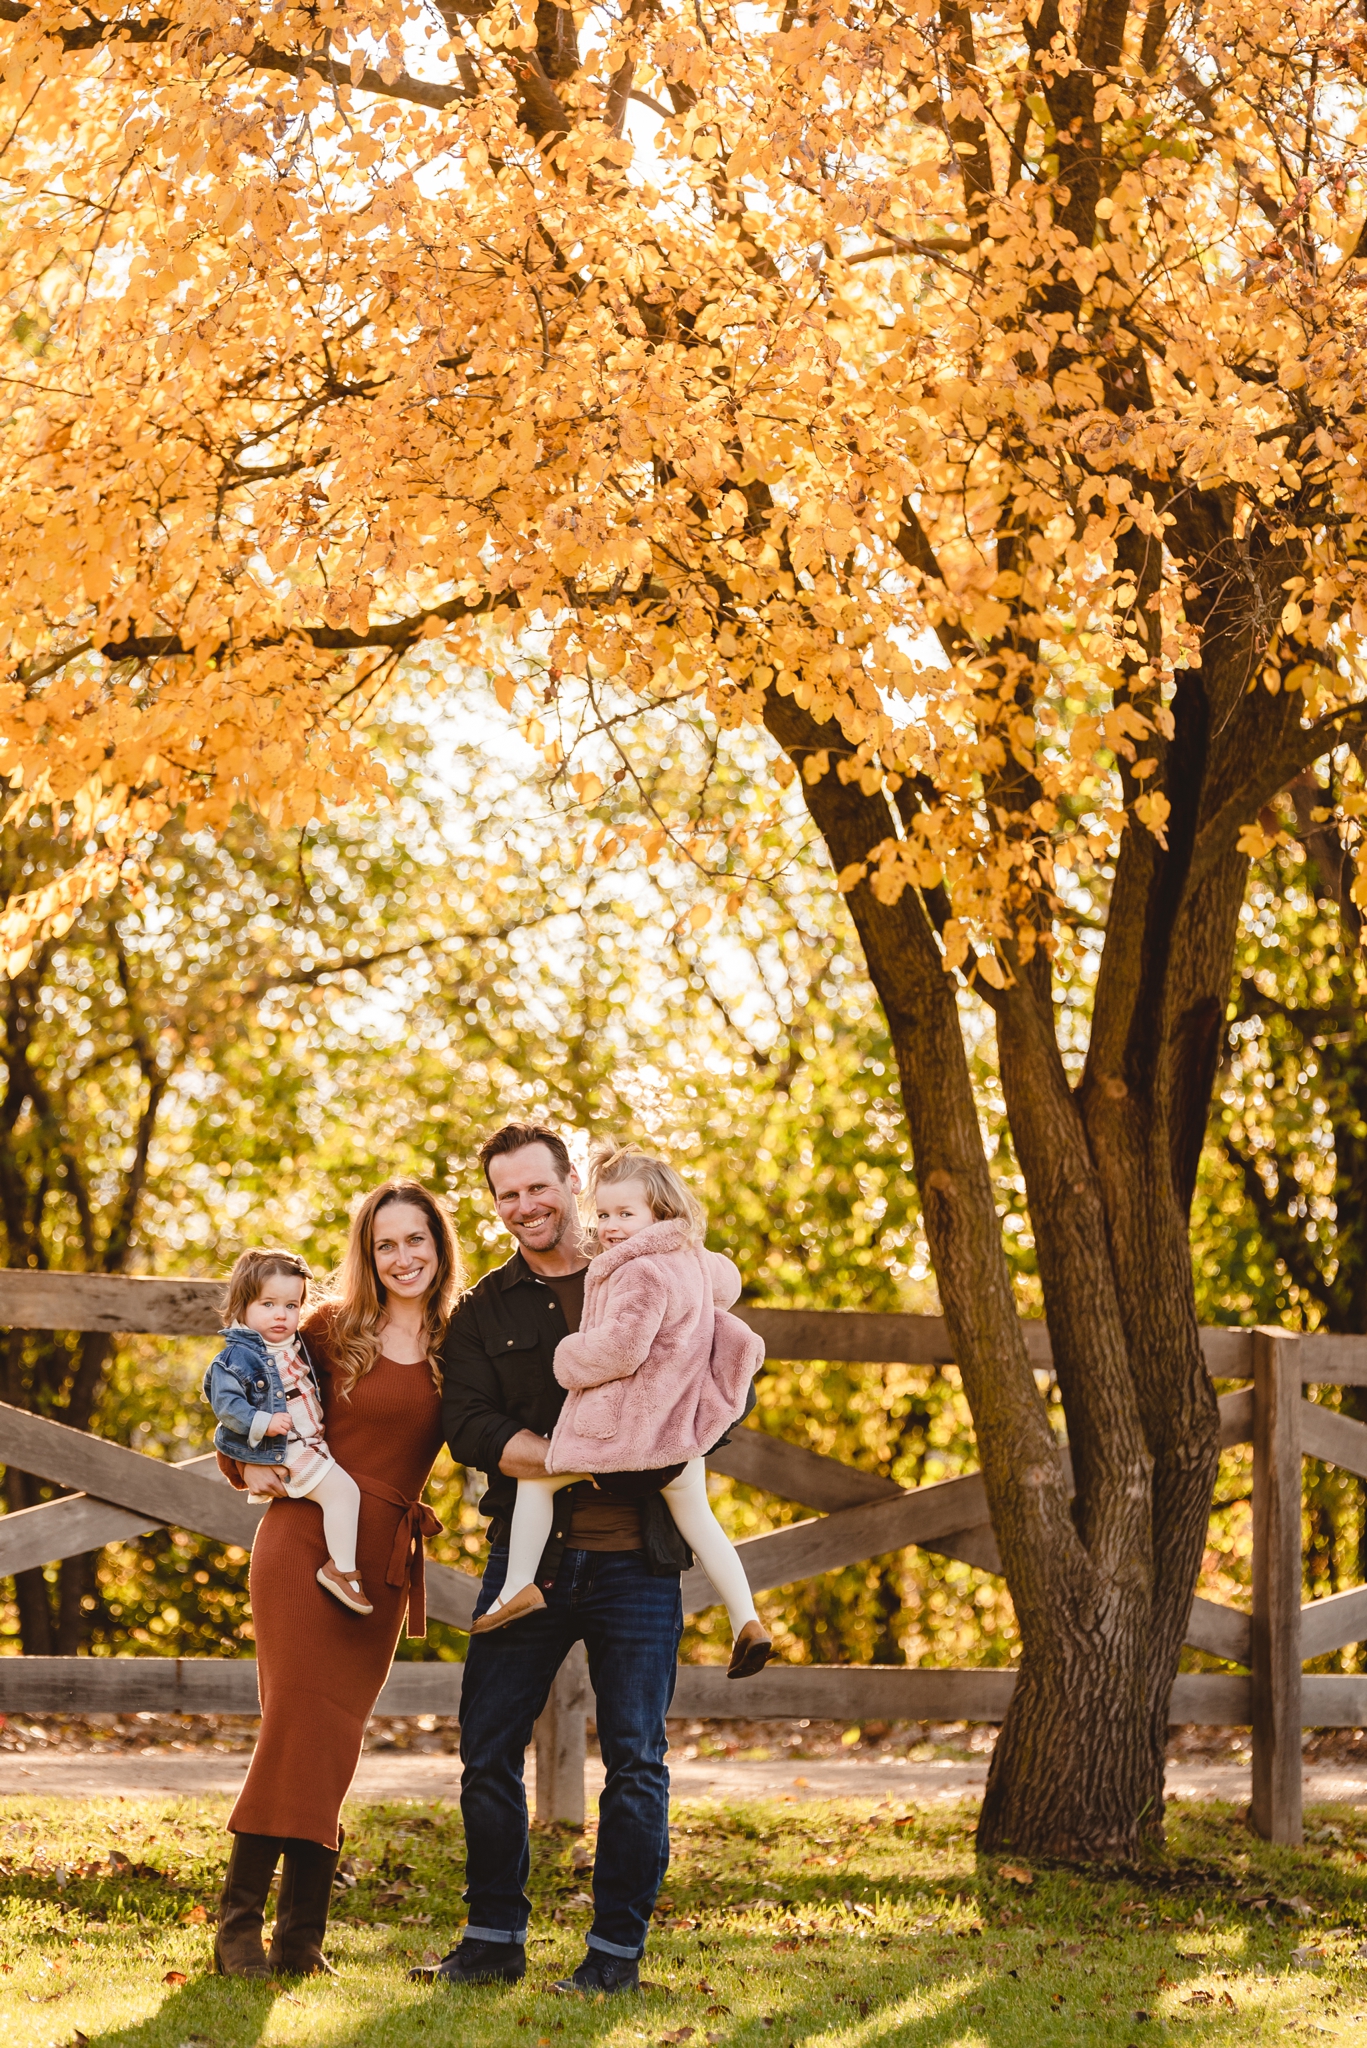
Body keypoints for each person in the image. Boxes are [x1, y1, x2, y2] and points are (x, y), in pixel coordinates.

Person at [437, 1122, 736, 1998]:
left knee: (636, 1761)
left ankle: (614, 1958)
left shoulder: (663, 1270)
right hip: (527, 1559)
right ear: (494, 1204)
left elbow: (715, 1388)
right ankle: (493, 1938)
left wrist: (661, 1447)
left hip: (637, 1565)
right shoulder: (484, 1310)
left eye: (538, 1186)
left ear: (571, 1182)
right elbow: (465, 1421)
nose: (525, 1206)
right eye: (506, 1194)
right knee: (486, 1753)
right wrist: (547, 1456)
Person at [211, 1181, 461, 1979]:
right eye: (385, 1243)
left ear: (438, 1245)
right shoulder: (327, 1328)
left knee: (336, 1739)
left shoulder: (462, 1344)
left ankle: (299, 1941)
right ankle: (239, 1930)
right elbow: (240, 1406)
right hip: (300, 1544)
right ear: (367, 1252)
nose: (402, 1257)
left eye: (415, 1240)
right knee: (296, 1723)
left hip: (379, 1564)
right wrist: (256, 1475)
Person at [469, 1147, 770, 1681]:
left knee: (538, 1483)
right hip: (680, 1434)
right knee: (700, 1520)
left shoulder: (639, 1272)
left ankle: (516, 1590)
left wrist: (570, 1356)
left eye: (625, 1215)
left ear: (659, 1214)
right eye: (603, 1215)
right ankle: (746, 1618)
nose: (609, 1228)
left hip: (632, 1434)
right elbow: (729, 1285)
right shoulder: (696, 1260)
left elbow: (621, 1350)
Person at [202, 1247, 371, 1615]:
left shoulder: (295, 1344)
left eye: (292, 1306)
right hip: (284, 1447)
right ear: (242, 1307)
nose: (281, 1314)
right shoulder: (237, 1358)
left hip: (308, 1442)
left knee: (340, 1495)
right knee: (343, 1494)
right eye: (268, 1304)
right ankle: (341, 1570)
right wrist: (262, 1425)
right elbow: (227, 1406)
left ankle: (340, 1567)